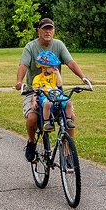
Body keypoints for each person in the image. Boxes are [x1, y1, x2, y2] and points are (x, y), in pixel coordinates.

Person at [13, 18, 90, 162]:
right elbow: (23, 65)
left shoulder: (59, 45)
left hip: (54, 91)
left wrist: (83, 77)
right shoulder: (30, 47)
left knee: (70, 116)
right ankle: (31, 142)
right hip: (35, 91)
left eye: (50, 28)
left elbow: (70, 62)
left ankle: (68, 153)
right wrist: (19, 81)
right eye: (44, 29)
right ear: (39, 31)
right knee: (32, 117)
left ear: (54, 31)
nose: (48, 31)